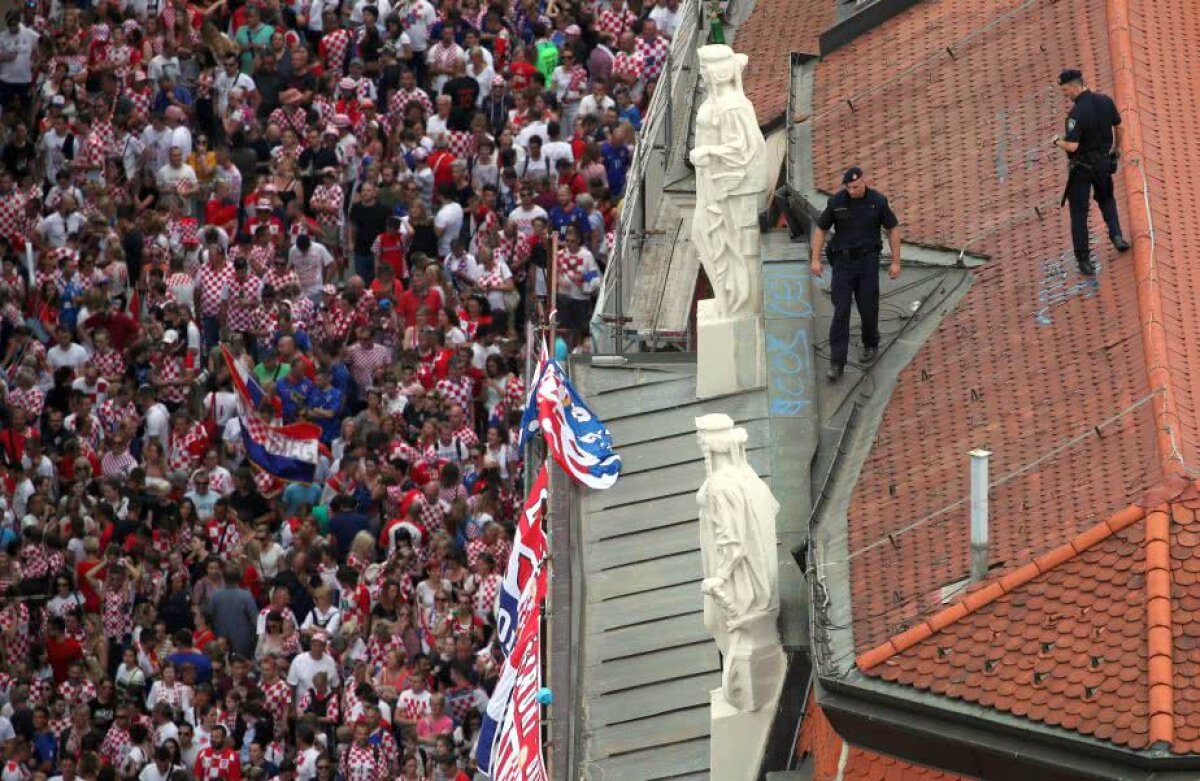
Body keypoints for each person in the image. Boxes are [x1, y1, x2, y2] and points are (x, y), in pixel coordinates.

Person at [809, 166, 902, 382]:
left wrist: (896, 262)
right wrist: (815, 259)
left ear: (864, 181)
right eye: (849, 187)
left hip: (868, 262)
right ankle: (836, 361)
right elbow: (821, 229)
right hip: (843, 263)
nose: (853, 191)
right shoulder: (837, 202)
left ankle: (870, 343)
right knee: (841, 311)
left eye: (856, 186)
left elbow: (893, 229)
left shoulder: (877, 201)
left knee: (868, 308)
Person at [1052, 68, 1131, 276]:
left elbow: (1072, 147)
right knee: (1107, 199)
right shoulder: (1105, 101)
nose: (1066, 94)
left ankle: (1084, 260)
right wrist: (1116, 150)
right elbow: (1120, 127)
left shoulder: (1076, 114)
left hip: (1082, 169)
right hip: (1104, 163)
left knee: (1079, 213)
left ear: (1077, 85)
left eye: (1066, 90)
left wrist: (1057, 141)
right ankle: (1116, 236)